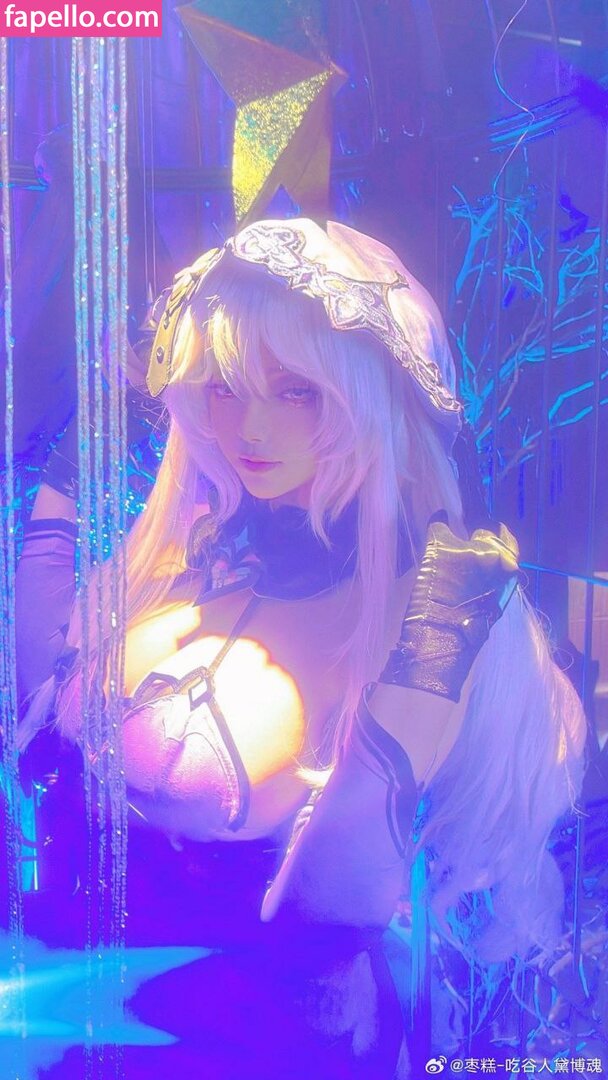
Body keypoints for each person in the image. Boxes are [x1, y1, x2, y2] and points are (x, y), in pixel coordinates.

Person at [15, 218, 587, 1078]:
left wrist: (422, 685)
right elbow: (41, 688)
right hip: (61, 1017)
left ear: (371, 400)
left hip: (247, 1050)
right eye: (223, 385)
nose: (249, 426)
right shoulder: (187, 555)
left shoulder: (412, 613)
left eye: (298, 393)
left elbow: (321, 935)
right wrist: (68, 474)